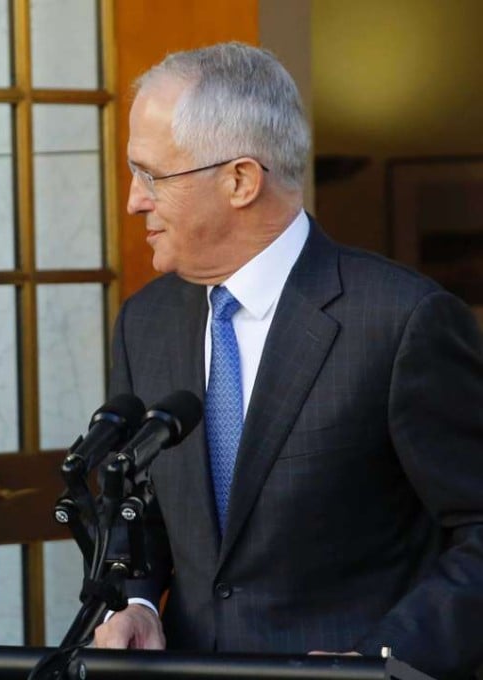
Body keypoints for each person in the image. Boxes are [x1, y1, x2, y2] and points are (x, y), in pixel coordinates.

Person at [93, 42, 483, 679]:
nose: (135, 200)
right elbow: (143, 512)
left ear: (241, 181)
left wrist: (382, 662)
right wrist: (135, 600)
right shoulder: (147, 321)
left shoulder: (401, 320)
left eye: (152, 175)